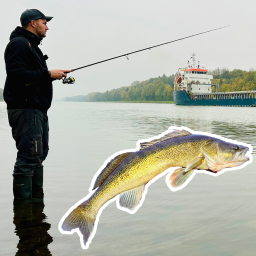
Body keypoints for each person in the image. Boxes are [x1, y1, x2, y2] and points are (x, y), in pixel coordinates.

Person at [4, 9, 71, 199]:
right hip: (26, 110)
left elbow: (32, 77)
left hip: (36, 110)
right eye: (44, 22)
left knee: (38, 156)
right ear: (33, 23)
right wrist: (48, 74)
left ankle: (36, 210)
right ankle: (24, 214)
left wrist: (51, 76)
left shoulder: (31, 46)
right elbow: (17, 76)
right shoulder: (18, 45)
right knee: (28, 158)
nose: (47, 27)